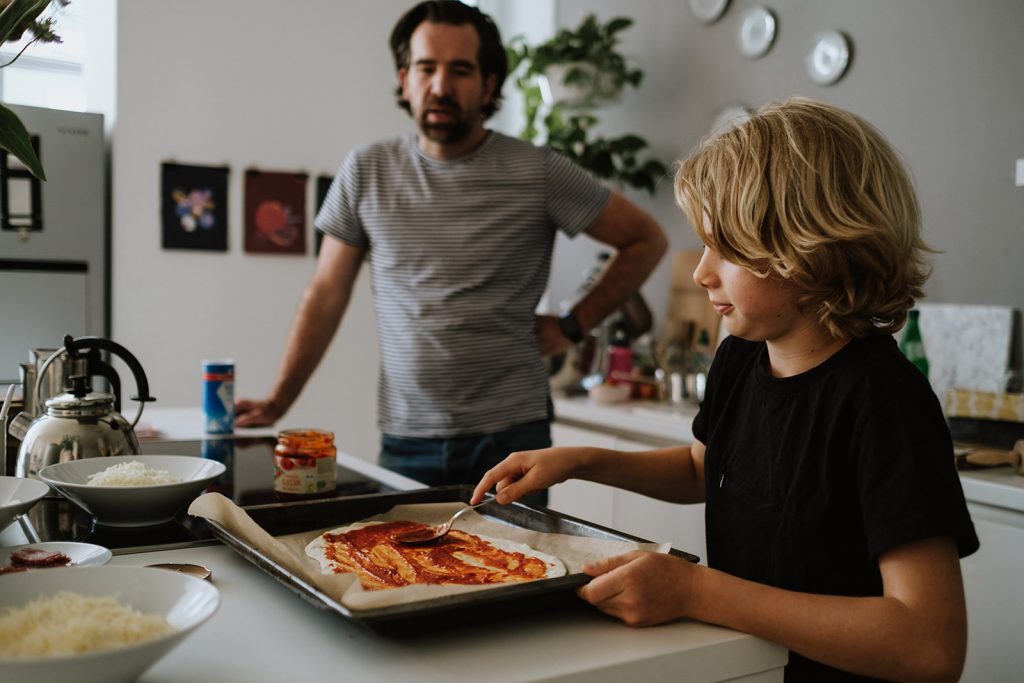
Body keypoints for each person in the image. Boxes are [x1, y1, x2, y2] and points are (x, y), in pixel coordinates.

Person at [472, 98, 978, 681]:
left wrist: (695, 591)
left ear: (811, 250)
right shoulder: (741, 355)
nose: (700, 272)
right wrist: (579, 461)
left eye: (728, 249)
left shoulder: (884, 403)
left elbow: (930, 646)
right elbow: (702, 469)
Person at [235, 1, 667, 503]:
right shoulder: (366, 170)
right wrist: (278, 400)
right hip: (406, 438)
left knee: (516, 577)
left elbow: (646, 240)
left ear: (488, 86)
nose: (440, 86)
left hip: (512, 438)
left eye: (460, 70)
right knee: (397, 577)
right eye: (426, 68)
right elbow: (326, 293)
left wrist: (573, 325)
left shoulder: (538, 171)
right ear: (404, 79)